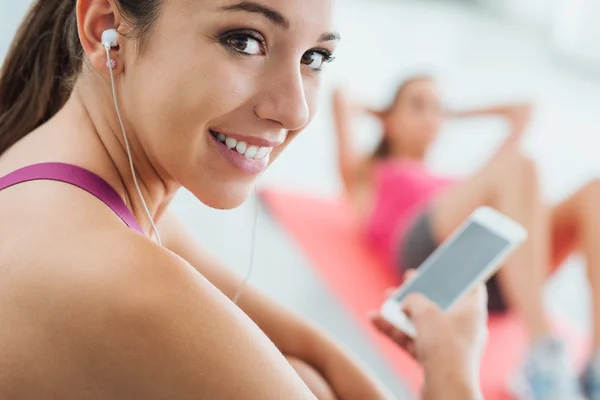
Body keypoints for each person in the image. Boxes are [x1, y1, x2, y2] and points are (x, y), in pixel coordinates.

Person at [0, 1, 488, 399]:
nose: (294, 110)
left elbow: (314, 351)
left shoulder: (82, 187)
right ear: (106, 29)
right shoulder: (127, 281)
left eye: (313, 58)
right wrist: (453, 377)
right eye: (245, 41)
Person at [333, 75, 600, 399]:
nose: (431, 117)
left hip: (491, 272)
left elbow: (523, 111)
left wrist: (450, 116)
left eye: (437, 109)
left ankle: (594, 369)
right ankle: (543, 354)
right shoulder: (367, 174)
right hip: (428, 259)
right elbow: (342, 98)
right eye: (418, 106)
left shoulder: (465, 183)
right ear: (388, 120)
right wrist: (381, 113)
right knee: (518, 165)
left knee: (595, 192)